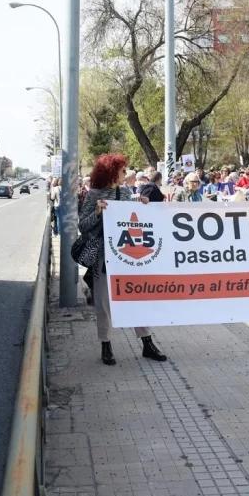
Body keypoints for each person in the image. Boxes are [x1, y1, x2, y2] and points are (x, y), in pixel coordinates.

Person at [77, 153, 166, 366]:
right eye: (122, 170)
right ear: (111, 172)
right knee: (103, 302)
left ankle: (147, 341)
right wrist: (97, 212)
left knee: (135, 298)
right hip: (103, 258)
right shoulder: (93, 195)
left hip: (127, 257)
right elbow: (83, 226)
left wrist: (142, 205)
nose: (125, 174)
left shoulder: (125, 192)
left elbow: (132, 219)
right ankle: (106, 345)